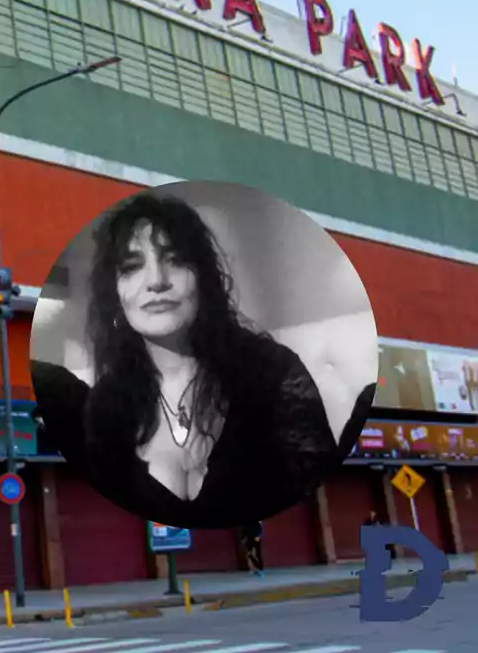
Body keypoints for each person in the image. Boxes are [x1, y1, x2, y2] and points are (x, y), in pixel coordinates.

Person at [32, 192, 376, 529]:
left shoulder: (273, 374)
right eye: (132, 267)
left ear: (204, 277)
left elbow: (310, 489)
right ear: (116, 295)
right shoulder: (107, 406)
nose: (156, 281)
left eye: (176, 259)